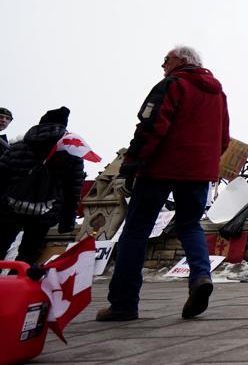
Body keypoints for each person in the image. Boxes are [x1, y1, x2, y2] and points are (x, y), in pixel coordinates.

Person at [98, 46, 230, 321]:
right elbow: (223, 138)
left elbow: (150, 126)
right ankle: (200, 277)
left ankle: (123, 303)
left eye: (166, 60)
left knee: (135, 230)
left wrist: (131, 166)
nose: (162, 65)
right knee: (190, 225)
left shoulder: (172, 85)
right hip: (197, 173)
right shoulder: (217, 93)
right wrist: (204, 162)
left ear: (181, 61)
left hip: (160, 168)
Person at [0, 107, 84, 263]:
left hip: (9, 208)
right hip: (45, 211)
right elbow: (72, 190)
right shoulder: (72, 153)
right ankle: (18, 284)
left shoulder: (17, 147)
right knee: (29, 254)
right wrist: (67, 221)